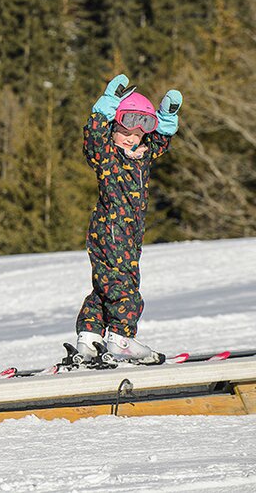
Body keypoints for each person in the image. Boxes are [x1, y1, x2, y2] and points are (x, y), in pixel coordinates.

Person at [75, 74, 182, 364]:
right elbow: (94, 136)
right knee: (125, 285)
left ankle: (90, 335)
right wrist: (104, 108)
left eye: (139, 133)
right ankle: (121, 338)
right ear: (114, 128)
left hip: (128, 233)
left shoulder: (141, 155)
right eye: (125, 130)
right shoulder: (107, 154)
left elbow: (158, 143)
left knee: (106, 284)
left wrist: (167, 118)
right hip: (111, 229)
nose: (132, 137)